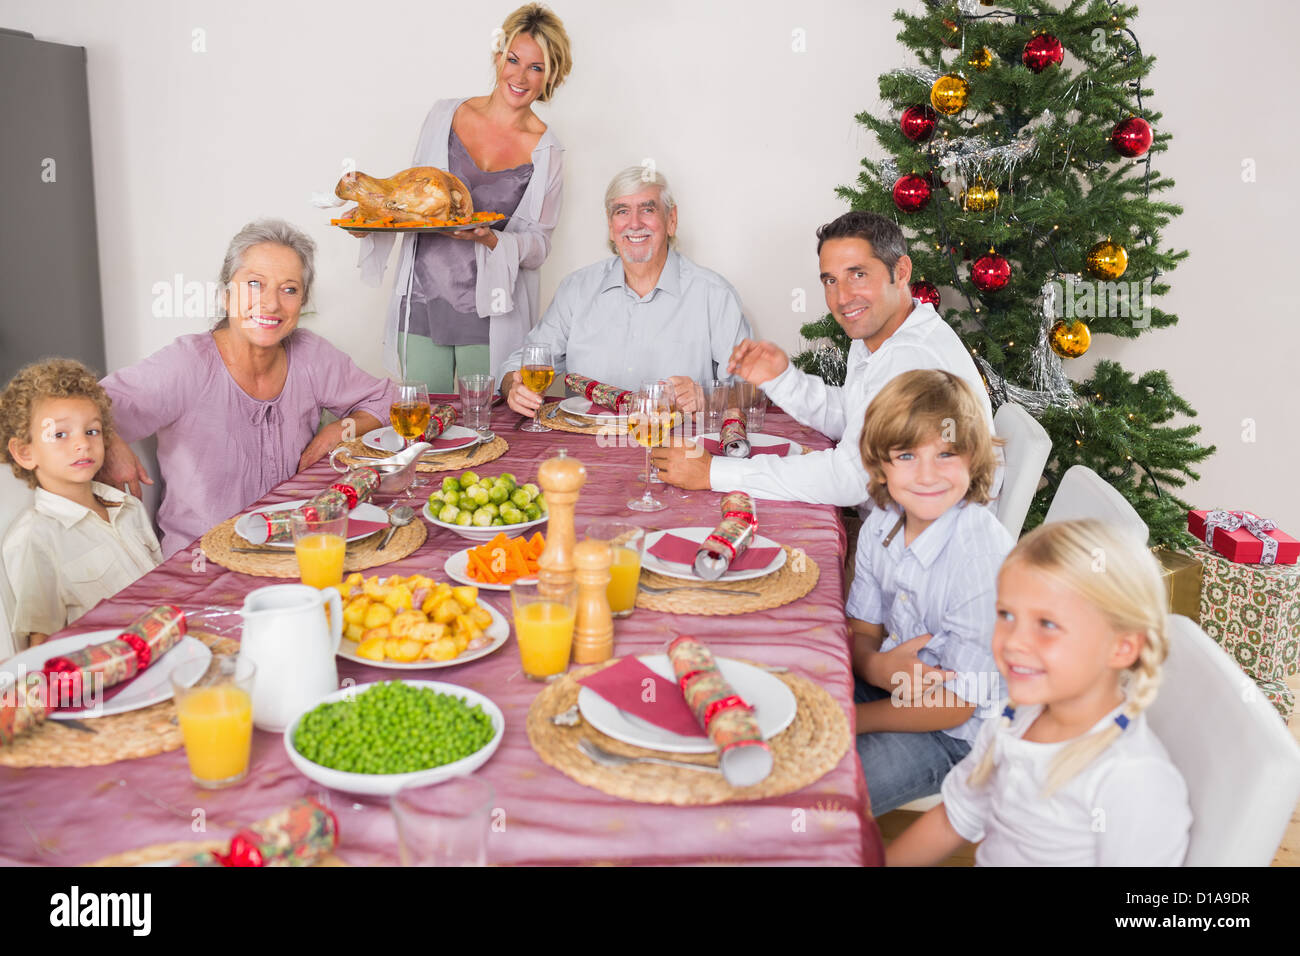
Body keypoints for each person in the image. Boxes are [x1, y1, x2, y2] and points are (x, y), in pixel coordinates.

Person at [887, 519, 1192, 866]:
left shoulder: (1132, 779)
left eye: (1047, 624)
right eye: (1006, 614)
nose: (1014, 641)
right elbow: (950, 820)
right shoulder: (1015, 717)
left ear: (1121, 648)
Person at [96, 219, 396, 559]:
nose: (270, 304)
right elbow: (79, 406)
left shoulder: (310, 355)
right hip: (205, 562)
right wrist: (111, 439)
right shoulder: (186, 364)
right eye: (255, 284)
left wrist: (337, 432)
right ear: (226, 295)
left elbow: (387, 398)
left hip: (295, 549)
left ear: (302, 302)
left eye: (289, 289)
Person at [651, 210, 993, 500]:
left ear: (901, 271)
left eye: (858, 275)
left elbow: (851, 479)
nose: (842, 298)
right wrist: (780, 379)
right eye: (830, 280)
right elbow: (852, 413)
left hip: (922, 554)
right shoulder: (882, 333)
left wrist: (716, 473)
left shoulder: (910, 359)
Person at [353, 4, 573, 392]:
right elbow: (411, 199)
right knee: (427, 429)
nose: (520, 77)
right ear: (498, 56)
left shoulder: (547, 151)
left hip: (489, 314)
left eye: (536, 68)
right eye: (513, 60)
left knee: (485, 428)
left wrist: (491, 238)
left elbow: (539, 246)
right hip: (421, 301)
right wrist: (370, 220)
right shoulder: (443, 116)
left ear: (551, 75)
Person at [849, 369, 1013, 816]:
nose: (926, 475)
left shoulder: (980, 559)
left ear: (974, 459)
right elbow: (861, 629)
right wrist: (879, 667)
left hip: (956, 733)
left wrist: (849, 721)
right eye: (905, 455)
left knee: (827, 795)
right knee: (786, 716)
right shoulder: (880, 526)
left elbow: (957, 706)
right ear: (880, 464)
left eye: (946, 454)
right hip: (894, 686)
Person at [499, 166, 753, 418]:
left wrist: (707, 396)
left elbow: (754, 388)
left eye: (648, 209)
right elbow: (519, 365)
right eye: (622, 211)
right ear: (611, 226)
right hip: (585, 445)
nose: (634, 223)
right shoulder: (575, 290)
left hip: (677, 447)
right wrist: (514, 386)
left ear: (671, 220)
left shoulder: (714, 295)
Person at [1, 359, 162, 650]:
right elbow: (42, 644)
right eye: (60, 434)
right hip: (109, 671)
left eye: (91, 431)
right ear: (25, 453)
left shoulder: (128, 506)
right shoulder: (35, 538)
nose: (82, 444)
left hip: (166, 641)